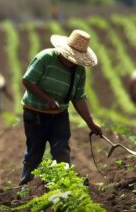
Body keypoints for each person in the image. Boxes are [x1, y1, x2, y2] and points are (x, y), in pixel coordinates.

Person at [19, 30, 102, 185]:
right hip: (35, 112)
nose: (73, 61)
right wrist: (47, 99)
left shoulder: (79, 71)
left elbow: (78, 98)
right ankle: (25, 184)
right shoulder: (45, 58)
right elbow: (28, 81)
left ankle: (65, 183)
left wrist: (91, 123)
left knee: (62, 148)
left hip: (59, 114)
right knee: (35, 150)